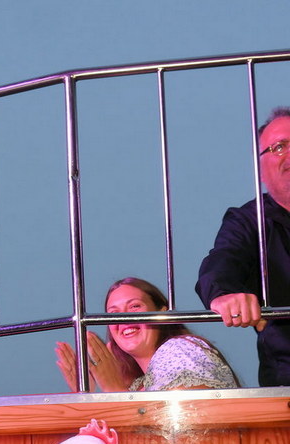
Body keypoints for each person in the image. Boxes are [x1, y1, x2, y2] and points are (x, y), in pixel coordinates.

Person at [197, 106, 290, 386]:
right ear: (260, 170)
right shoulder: (250, 221)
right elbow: (224, 260)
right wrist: (224, 294)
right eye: (279, 147)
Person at [56, 277, 237, 392]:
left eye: (134, 306)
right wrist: (86, 397)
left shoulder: (179, 349)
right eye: (113, 313)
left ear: (163, 313)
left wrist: (114, 390)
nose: (123, 319)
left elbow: (186, 421)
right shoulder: (138, 384)